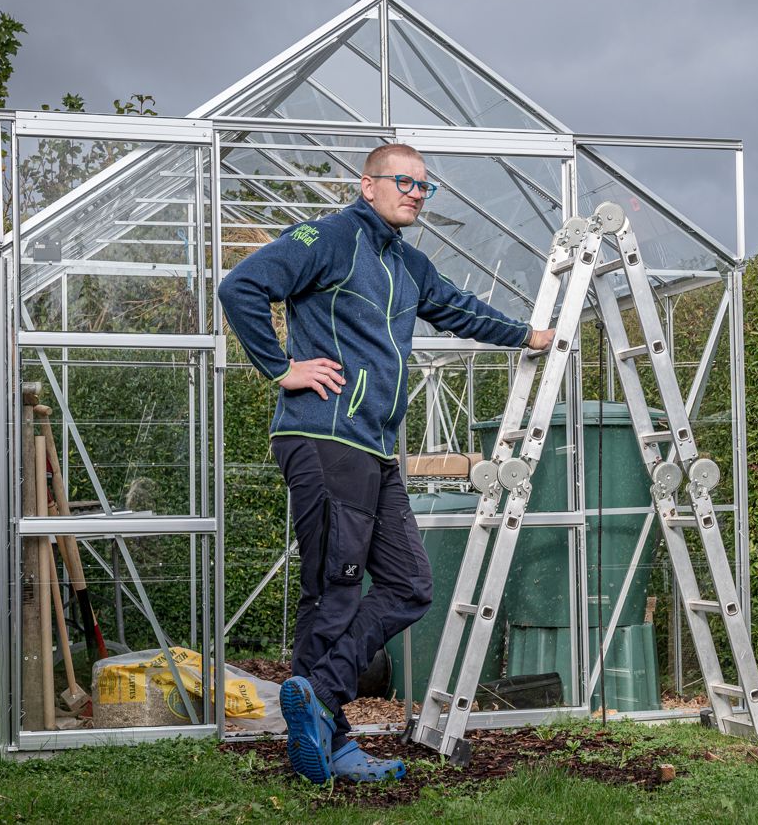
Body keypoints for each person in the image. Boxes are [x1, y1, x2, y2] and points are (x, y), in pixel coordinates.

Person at [218, 144, 552, 783]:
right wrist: (282, 368)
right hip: (325, 439)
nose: (416, 193)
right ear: (366, 186)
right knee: (336, 590)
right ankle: (330, 739)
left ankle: (317, 697)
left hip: (374, 448)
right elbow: (243, 285)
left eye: (425, 187)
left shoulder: (408, 264)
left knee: (408, 585)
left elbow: (460, 311)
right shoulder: (332, 238)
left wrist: (525, 335)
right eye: (404, 181)